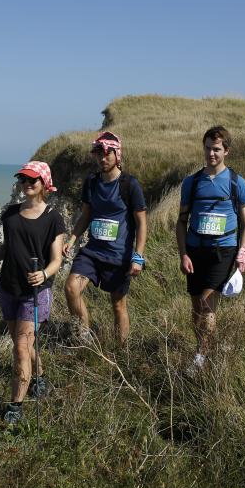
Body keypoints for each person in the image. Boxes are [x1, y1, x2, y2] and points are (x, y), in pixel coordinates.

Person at [0, 161, 65, 427]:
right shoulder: (11, 214)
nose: (26, 184)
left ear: (44, 185)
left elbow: (57, 259)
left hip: (35, 292)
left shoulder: (53, 218)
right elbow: (8, 247)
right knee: (20, 343)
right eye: (23, 179)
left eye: (32, 180)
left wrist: (44, 274)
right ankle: (39, 376)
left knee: (20, 349)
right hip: (9, 288)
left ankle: (15, 405)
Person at [176, 126, 245, 370]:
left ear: (226, 151)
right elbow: (181, 222)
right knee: (196, 307)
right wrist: (183, 254)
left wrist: (243, 251)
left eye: (217, 149)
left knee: (208, 304)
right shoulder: (192, 183)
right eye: (208, 148)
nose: (211, 153)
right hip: (195, 251)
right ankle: (203, 347)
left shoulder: (237, 183)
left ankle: (200, 357)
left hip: (224, 251)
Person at [63, 131, 147, 345]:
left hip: (119, 256)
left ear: (117, 155)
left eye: (108, 154)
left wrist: (138, 257)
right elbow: (86, 216)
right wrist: (72, 240)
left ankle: (122, 351)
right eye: (98, 154)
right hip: (92, 253)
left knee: (118, 305)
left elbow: (141, 223)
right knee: (71, 288)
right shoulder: (91, 183)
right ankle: (85, 336)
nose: (102, 158)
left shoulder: (130, 185)